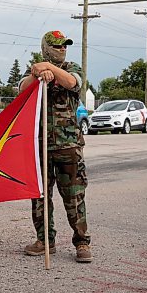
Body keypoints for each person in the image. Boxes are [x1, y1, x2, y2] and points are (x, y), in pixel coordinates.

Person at [19, 30, 92, 263]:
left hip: (68, 146)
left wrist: (51, 70)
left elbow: (71, 83)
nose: (62, 49)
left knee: (74, 196)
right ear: (46, 47)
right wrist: (39, 73)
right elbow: (22, 88)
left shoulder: (73, 69)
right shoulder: (36, 70)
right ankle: (44, 241)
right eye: (57, 46)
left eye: (65, 46)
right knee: (39, 196)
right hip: (39, 145)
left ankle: (82, 243)